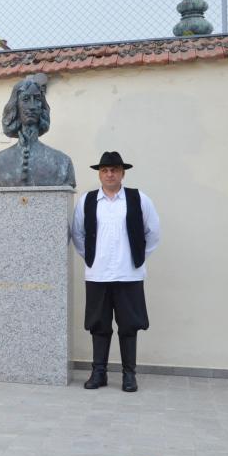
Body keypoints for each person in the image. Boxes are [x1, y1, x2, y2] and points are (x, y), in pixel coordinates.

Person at [70, 151, 160, 393]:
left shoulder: (139, 199)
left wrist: (137, 258)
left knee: (129, 326)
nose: (109, 174)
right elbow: (77, 234)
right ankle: (98, 372)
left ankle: (129, 375)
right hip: (97, 275)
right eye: (105, 170)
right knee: (98, 325)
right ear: (99, 174)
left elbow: (153, 232)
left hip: (129, 275)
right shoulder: (88, 201)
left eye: (114, 170)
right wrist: (91, 258)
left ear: (122, 173)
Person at [0, 75, 76, 188]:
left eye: (37, 99)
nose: (32, 106)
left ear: (42, 106)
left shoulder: (62, 163)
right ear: (16, 106)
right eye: (25, 99)